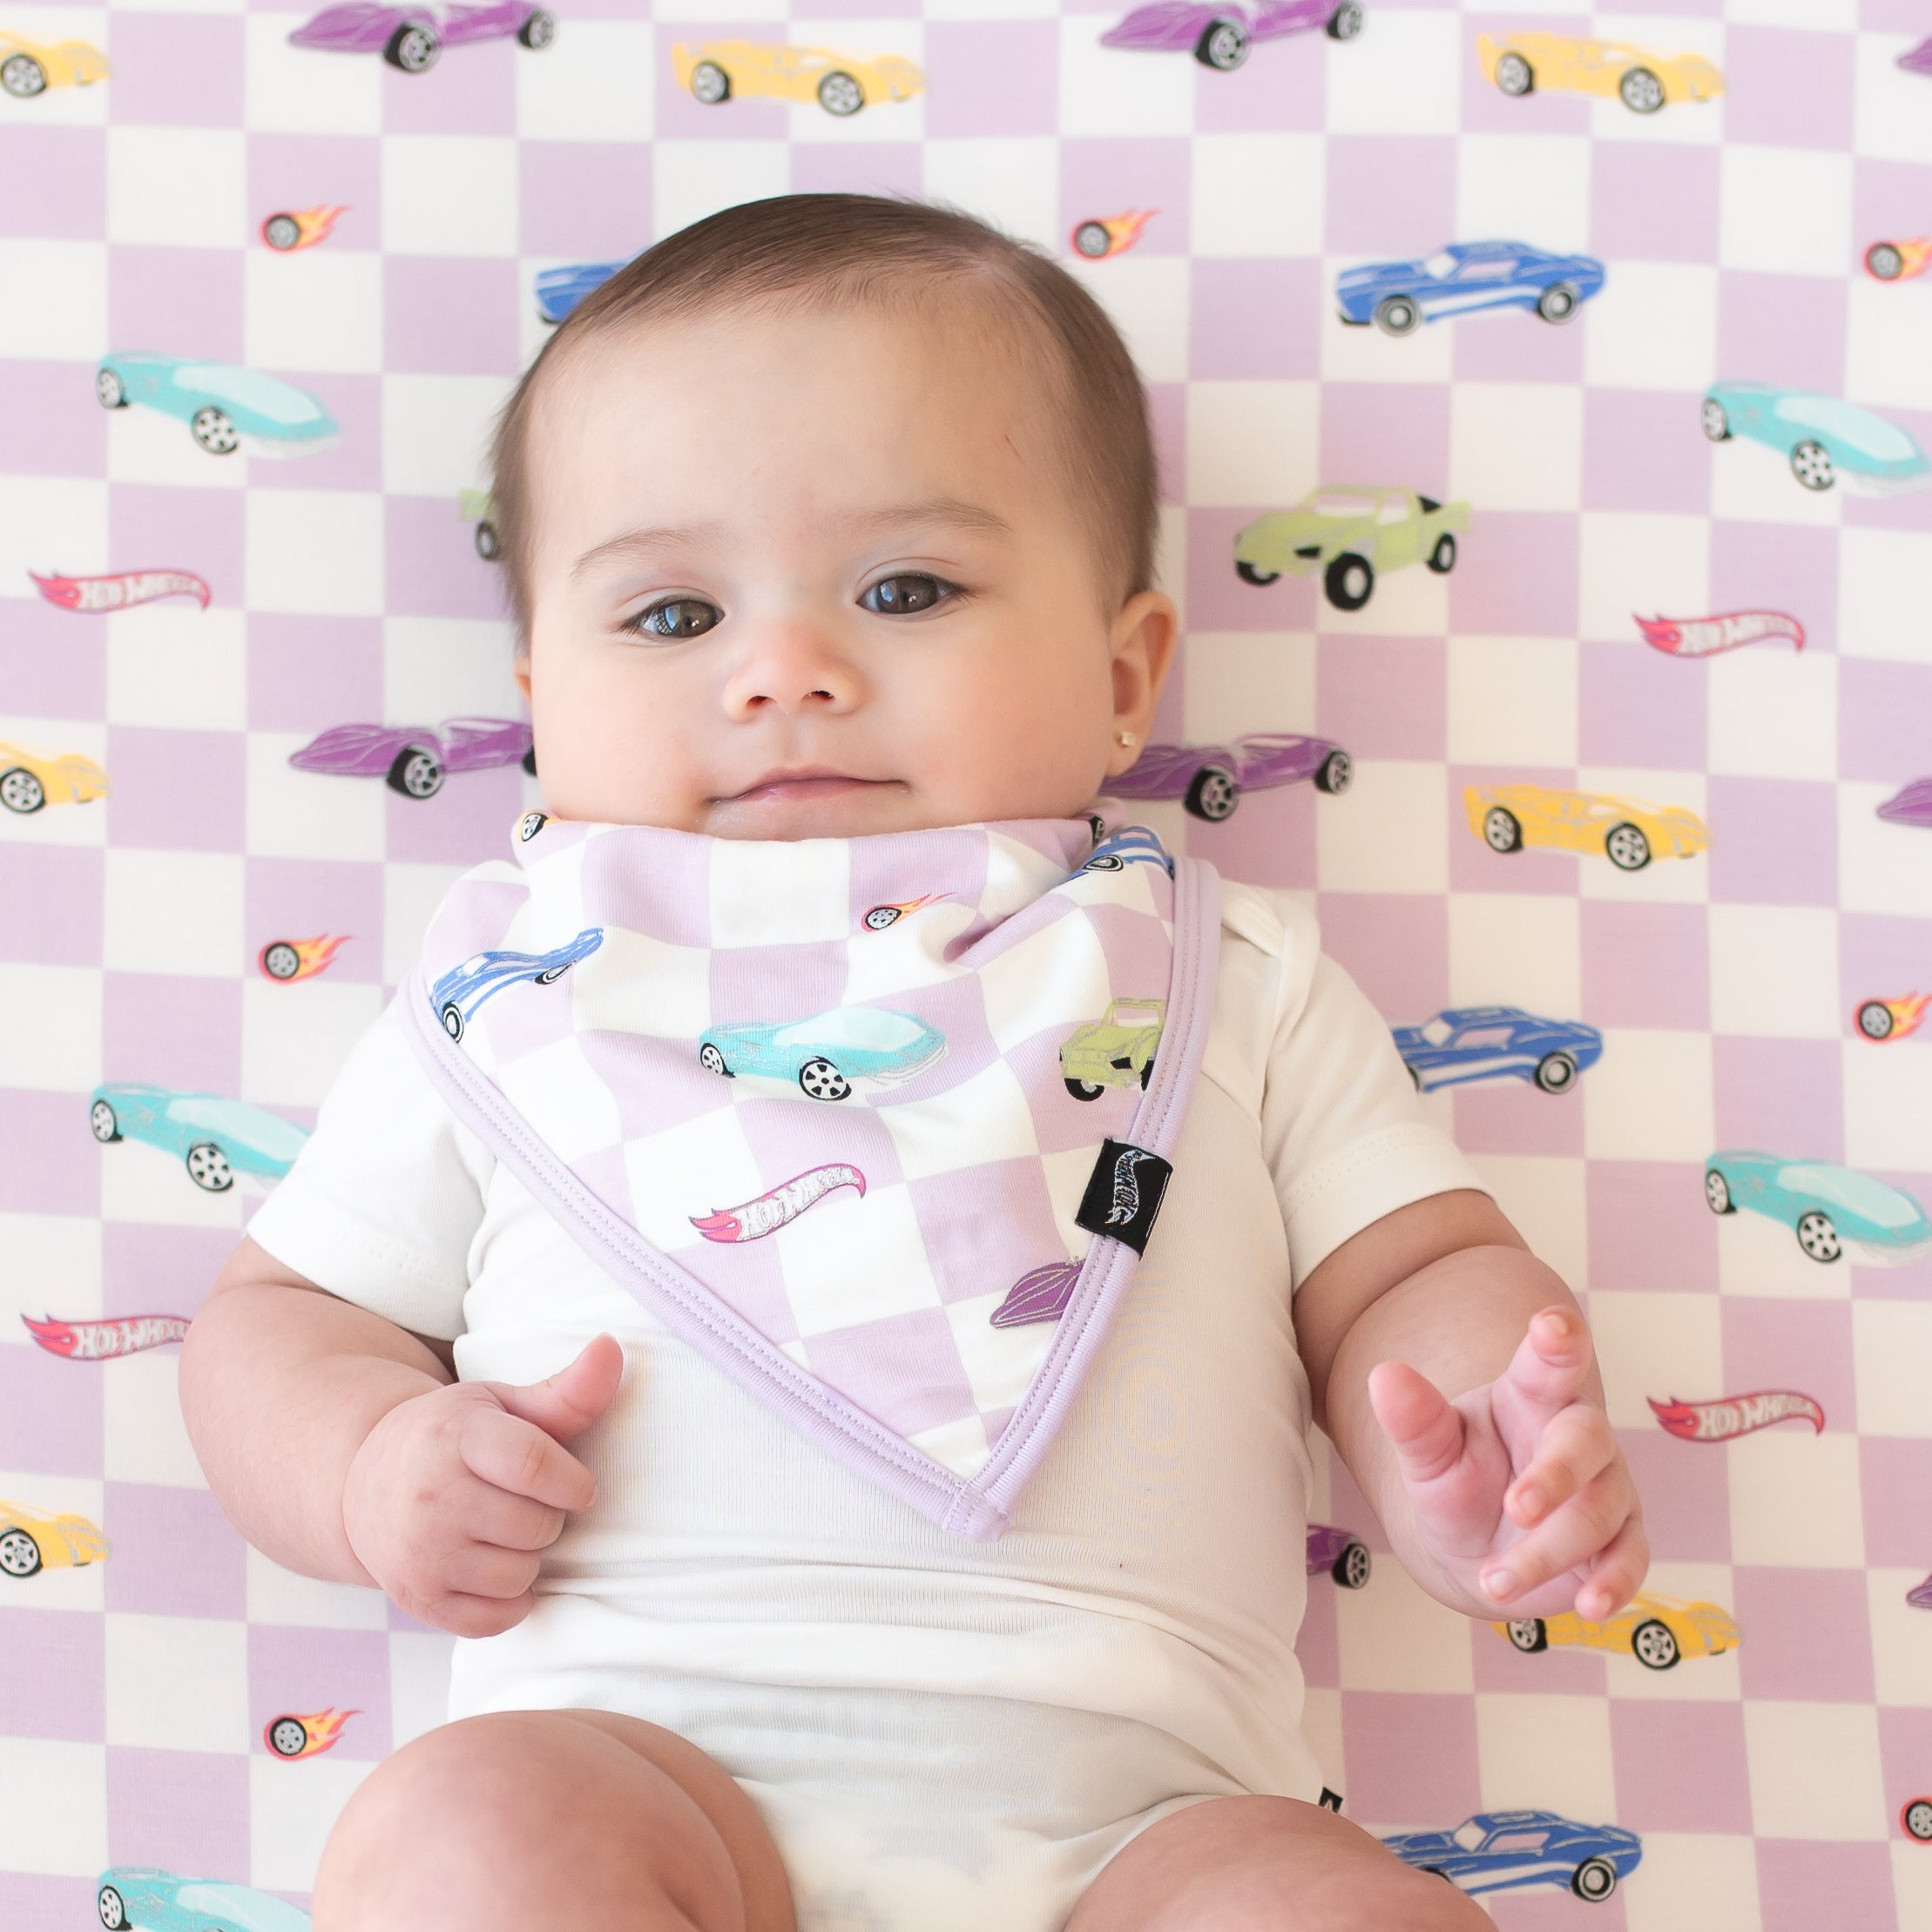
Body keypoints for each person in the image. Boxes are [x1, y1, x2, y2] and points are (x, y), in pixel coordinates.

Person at [178, 193, 1645, 1932]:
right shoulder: (510, 994)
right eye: (667, 618)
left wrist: (1472, 1430)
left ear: (1121, 675)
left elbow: (1409, 1260)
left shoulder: (1214, 972)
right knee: (462, 1833)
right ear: (533, 694)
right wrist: (366, 1462)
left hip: (1148, 1822)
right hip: (643, 1770)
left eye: (904, 587)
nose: (784, 670)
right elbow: (278, 1324)